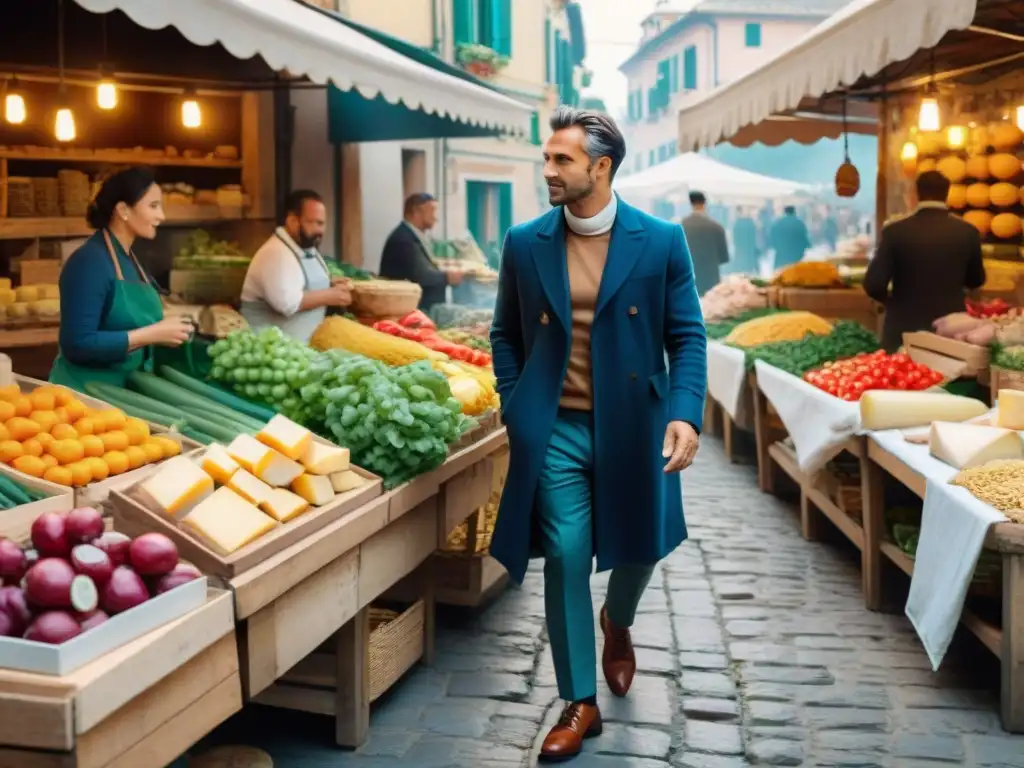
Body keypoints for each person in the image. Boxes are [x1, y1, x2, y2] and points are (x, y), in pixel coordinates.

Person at [489, 106, 706, 762]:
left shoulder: (661, 240)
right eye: (547, 158)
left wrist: (685, 413)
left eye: (562, 160)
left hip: (635, 425)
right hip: (554, 428)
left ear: (601, 167)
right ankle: (578, 700)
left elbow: (687, 334)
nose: (547, 170)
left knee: (639, 548)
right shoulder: (525, 242)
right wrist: (514, 404)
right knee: (565, 553)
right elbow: (504, 331)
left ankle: (621, 618)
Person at [51, 166, 193, 390]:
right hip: (84, 397)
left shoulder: (130, 260)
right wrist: (151, 334)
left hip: (123, 393)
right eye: (153, 206)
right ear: (123, 210)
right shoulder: (89, 262)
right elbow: (77, 344)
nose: (161, 216)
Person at [863, 170, 985, 352]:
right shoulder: (968, 232)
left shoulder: (894, 231)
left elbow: (873, 284)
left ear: (916, 193)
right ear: (947, 193)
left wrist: (893, 302)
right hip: (951, 331)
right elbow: (977, 279)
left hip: (902, 329)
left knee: (899, 377)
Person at [240, 189, 351, 343]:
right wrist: (331, 295)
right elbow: (287, 303)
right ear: (292, 221)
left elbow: (302, 282)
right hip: (273, 351)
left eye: (322, 223)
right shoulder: (275, 253)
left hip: (306, 347)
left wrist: (331, 282)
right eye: (314, 223)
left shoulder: (305, 248)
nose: (320, 230)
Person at [379, 193, 462, 311]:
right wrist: (447, 277)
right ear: (416, 211)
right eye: (432, 210)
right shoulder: (403, 239)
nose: (436, 218)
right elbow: (419, 275)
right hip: (410, 312)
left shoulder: (411, 235)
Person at [681, 191, 729, 296]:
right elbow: (724, 258)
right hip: (711, 282)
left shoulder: (679, 227)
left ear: (691, 204)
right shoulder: (717, 227)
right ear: (705, 203)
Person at [769, 205, 811, 270]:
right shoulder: (799, 223)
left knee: (781, 270)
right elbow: (803, 237)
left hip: (782, 253)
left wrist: (776, 247)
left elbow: (773, 237)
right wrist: (807, 245)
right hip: (796, 253)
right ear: (794, 212)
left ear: (785, 212)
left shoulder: (778, 222)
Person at [732, 206, 760, 275]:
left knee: (740, 271)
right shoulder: (751, 223)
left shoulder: (737, 223)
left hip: (740, 251)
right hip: (749, 251)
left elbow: (735, 239)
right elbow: (755, 238)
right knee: (750, 270)